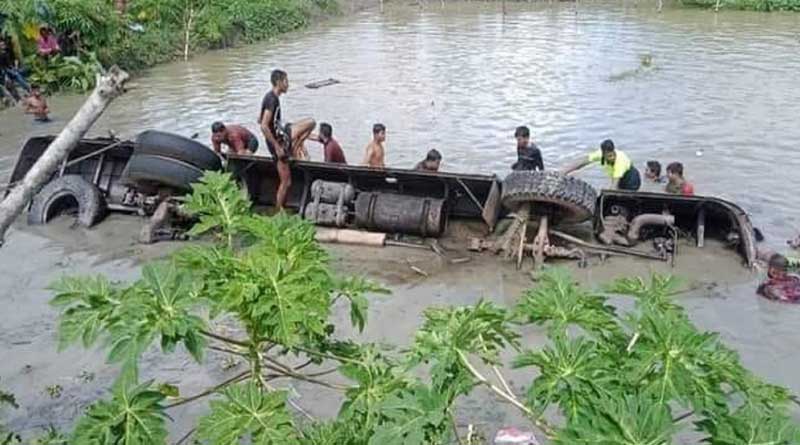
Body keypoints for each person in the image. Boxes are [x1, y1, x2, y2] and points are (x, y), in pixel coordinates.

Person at [259, 69, 316, 210]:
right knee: (286, 182)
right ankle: (278, 211)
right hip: (279, 143)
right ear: (279, 82)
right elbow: (264, 126)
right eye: (286, 81)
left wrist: (279, 126)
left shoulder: (272, 97)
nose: (288, 84)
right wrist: (277, 147)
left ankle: (295, 147)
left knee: (311, 122)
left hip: (282, 134)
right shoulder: (271, 99)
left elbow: (259, 119)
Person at [562, 139, 641, 191]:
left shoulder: (620, 162)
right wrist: (563, 172)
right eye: (609, 156)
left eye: (612, 155)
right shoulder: (600, 154)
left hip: (631, 179)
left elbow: (614, 184)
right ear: (603, 154)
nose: (612, 158)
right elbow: (583, 161)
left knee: (624, 196)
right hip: (620, 177)